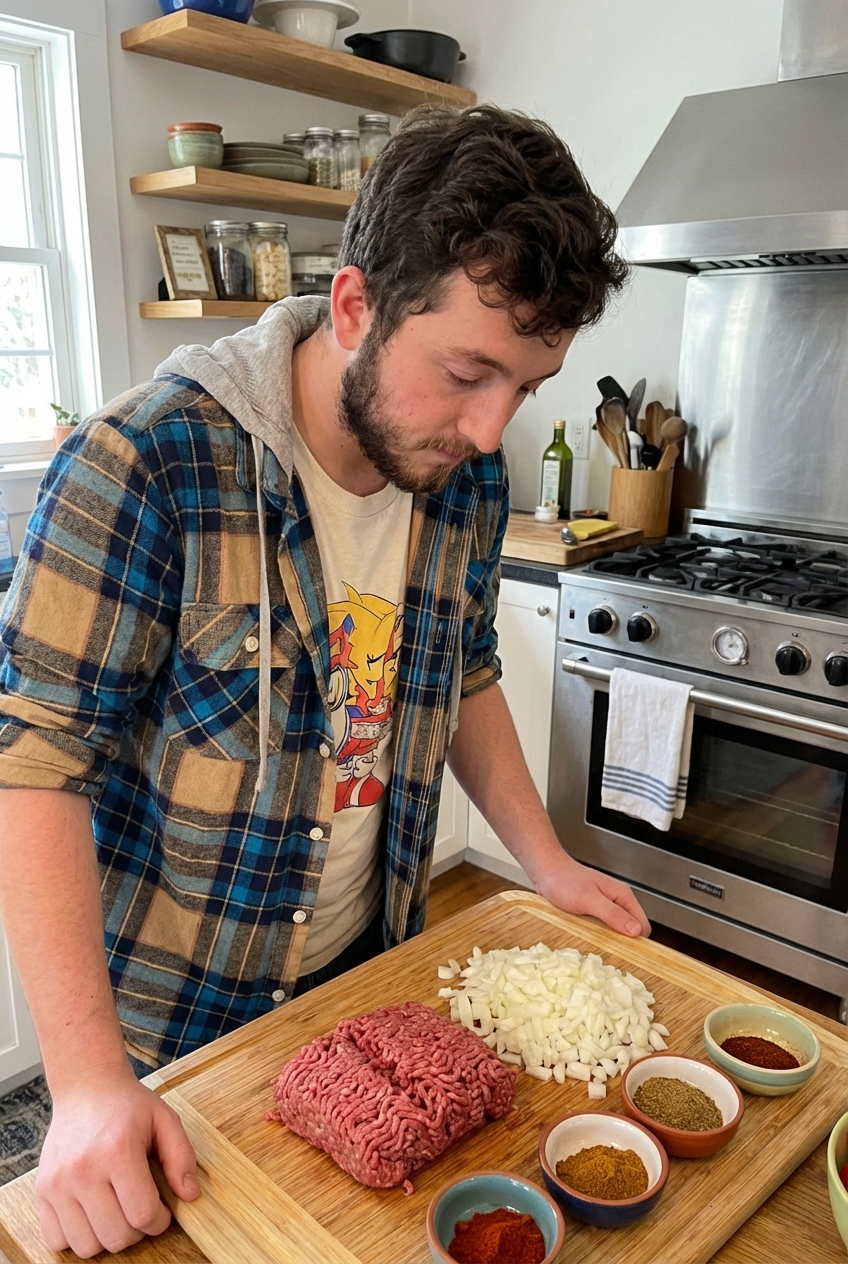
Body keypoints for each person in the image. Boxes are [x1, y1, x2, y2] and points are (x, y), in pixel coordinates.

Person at [0, 103, 649, 1257]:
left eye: (526, 384)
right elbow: (32, 768)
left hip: (364, 982)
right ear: (353, 306)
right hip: (171, 1040)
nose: (489, 428)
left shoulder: (460, 478)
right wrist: (88, 1083)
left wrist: (542, 859)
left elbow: (465, 670)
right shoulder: (144, 464)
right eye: (465, 372)